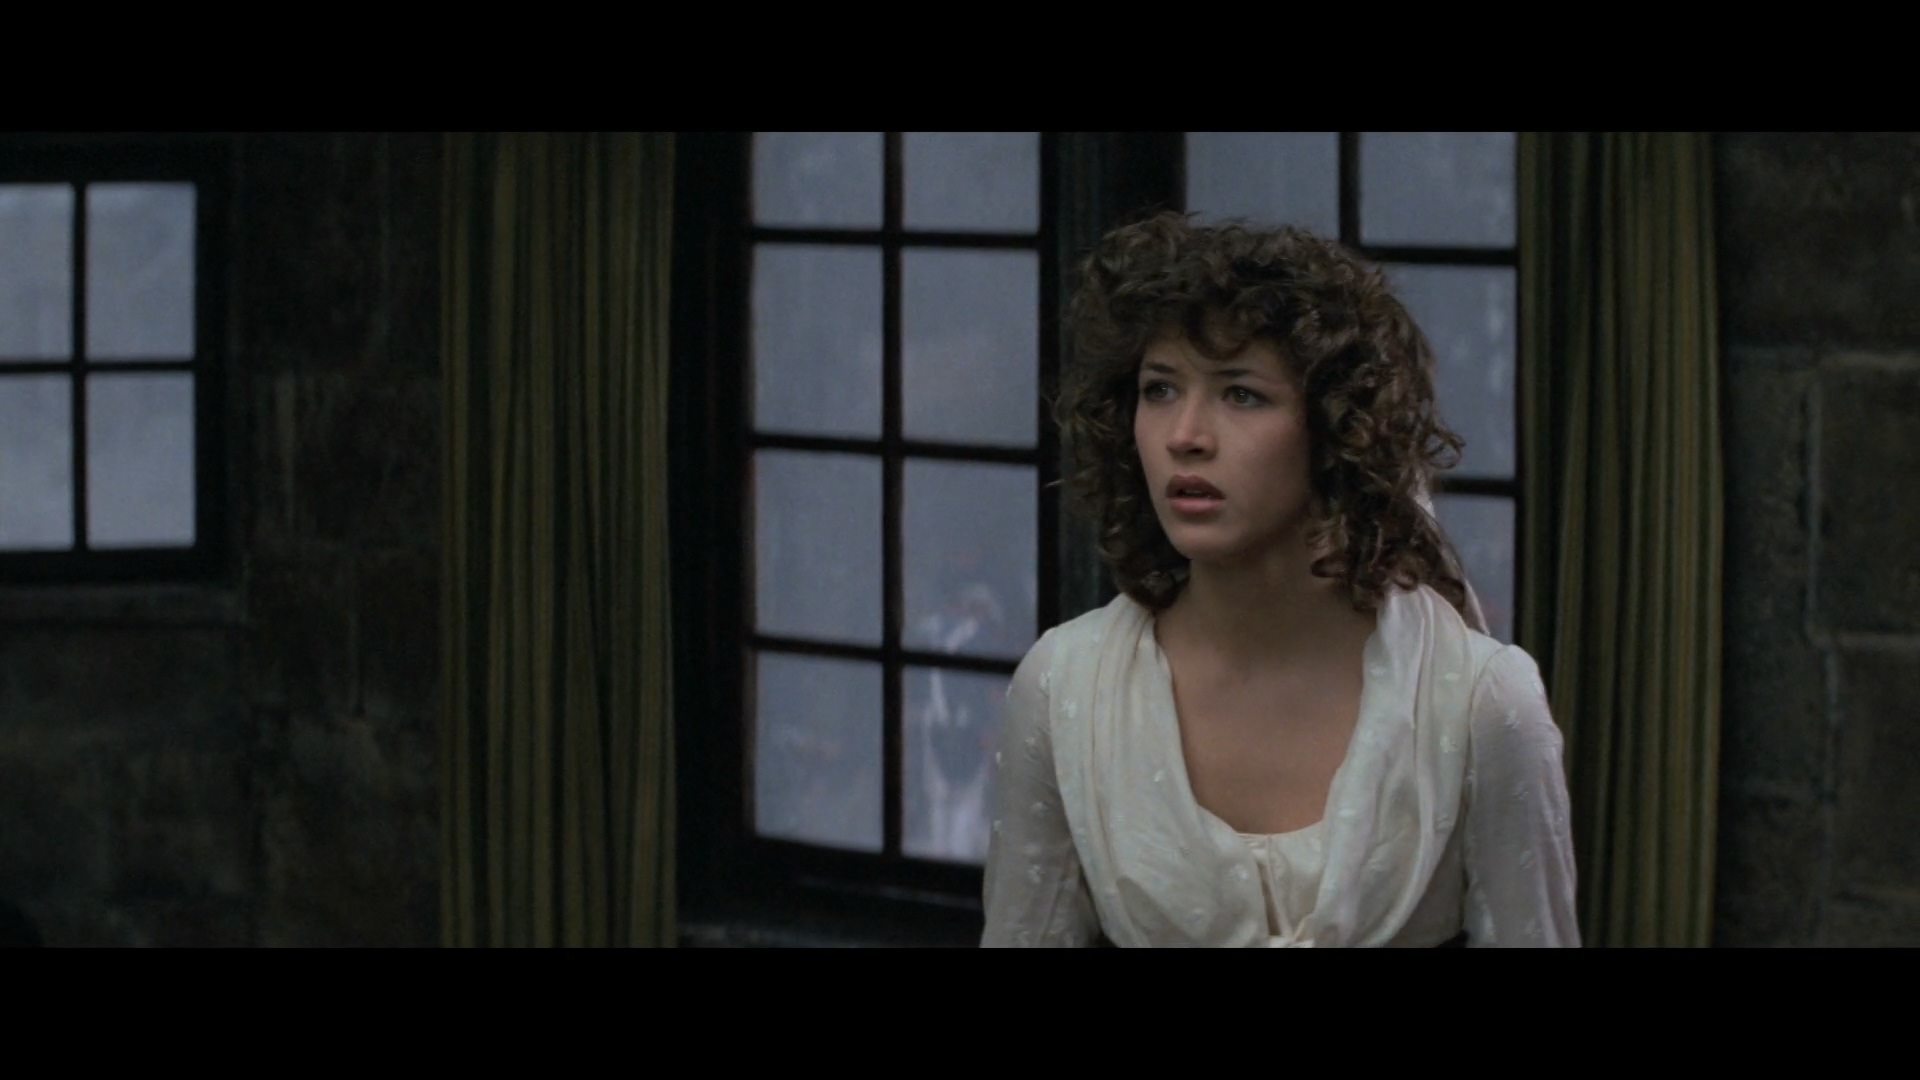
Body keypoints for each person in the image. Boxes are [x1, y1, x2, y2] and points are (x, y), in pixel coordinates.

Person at [980, 213, 1578, 947]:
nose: (1184, 436)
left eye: (1241, 395)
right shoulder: (1066, 689)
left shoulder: (1479, 703)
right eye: (1160, 389)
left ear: (1334, 430)